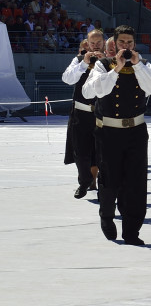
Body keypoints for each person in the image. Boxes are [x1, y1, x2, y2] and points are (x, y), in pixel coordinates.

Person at [82, 24, 151, 245]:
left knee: (136, 182)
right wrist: (116, 69)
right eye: (121, 42)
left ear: (134, 44)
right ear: (115, 44)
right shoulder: (103, 65)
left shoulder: (143, 64)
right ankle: (107, 215)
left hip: (136, 131)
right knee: (110, 180)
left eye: (129, 42)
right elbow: (91, 92)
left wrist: (137, 66)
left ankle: (132, 231)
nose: (126, 46)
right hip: (109, 132)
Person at [62, 28, 105, 200]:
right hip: (81, 113)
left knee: (102, 152)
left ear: (104, 42)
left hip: (102, 114)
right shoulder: (79, 60)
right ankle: (84, 181)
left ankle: (103, 184)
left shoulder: (110, 61)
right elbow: (67, 78)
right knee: (80, 151)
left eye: (99, 42)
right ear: (87, 44)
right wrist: (83, 64)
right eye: (92, 43)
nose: (96, 45)